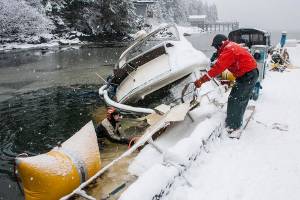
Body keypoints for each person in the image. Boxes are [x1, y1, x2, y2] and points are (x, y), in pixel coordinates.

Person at [194, 34, 259, 134]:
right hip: (249, 73)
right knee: (241, 98)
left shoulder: (229, 50)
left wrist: (201, 80)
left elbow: (218, 68)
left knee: (235, 99)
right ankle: (236, 120)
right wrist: (216, 57)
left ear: (220, 45)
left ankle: (232, 126)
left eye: (216, 47)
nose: (216, 49)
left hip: (247, 75)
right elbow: (222, 60)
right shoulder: (230, 46)